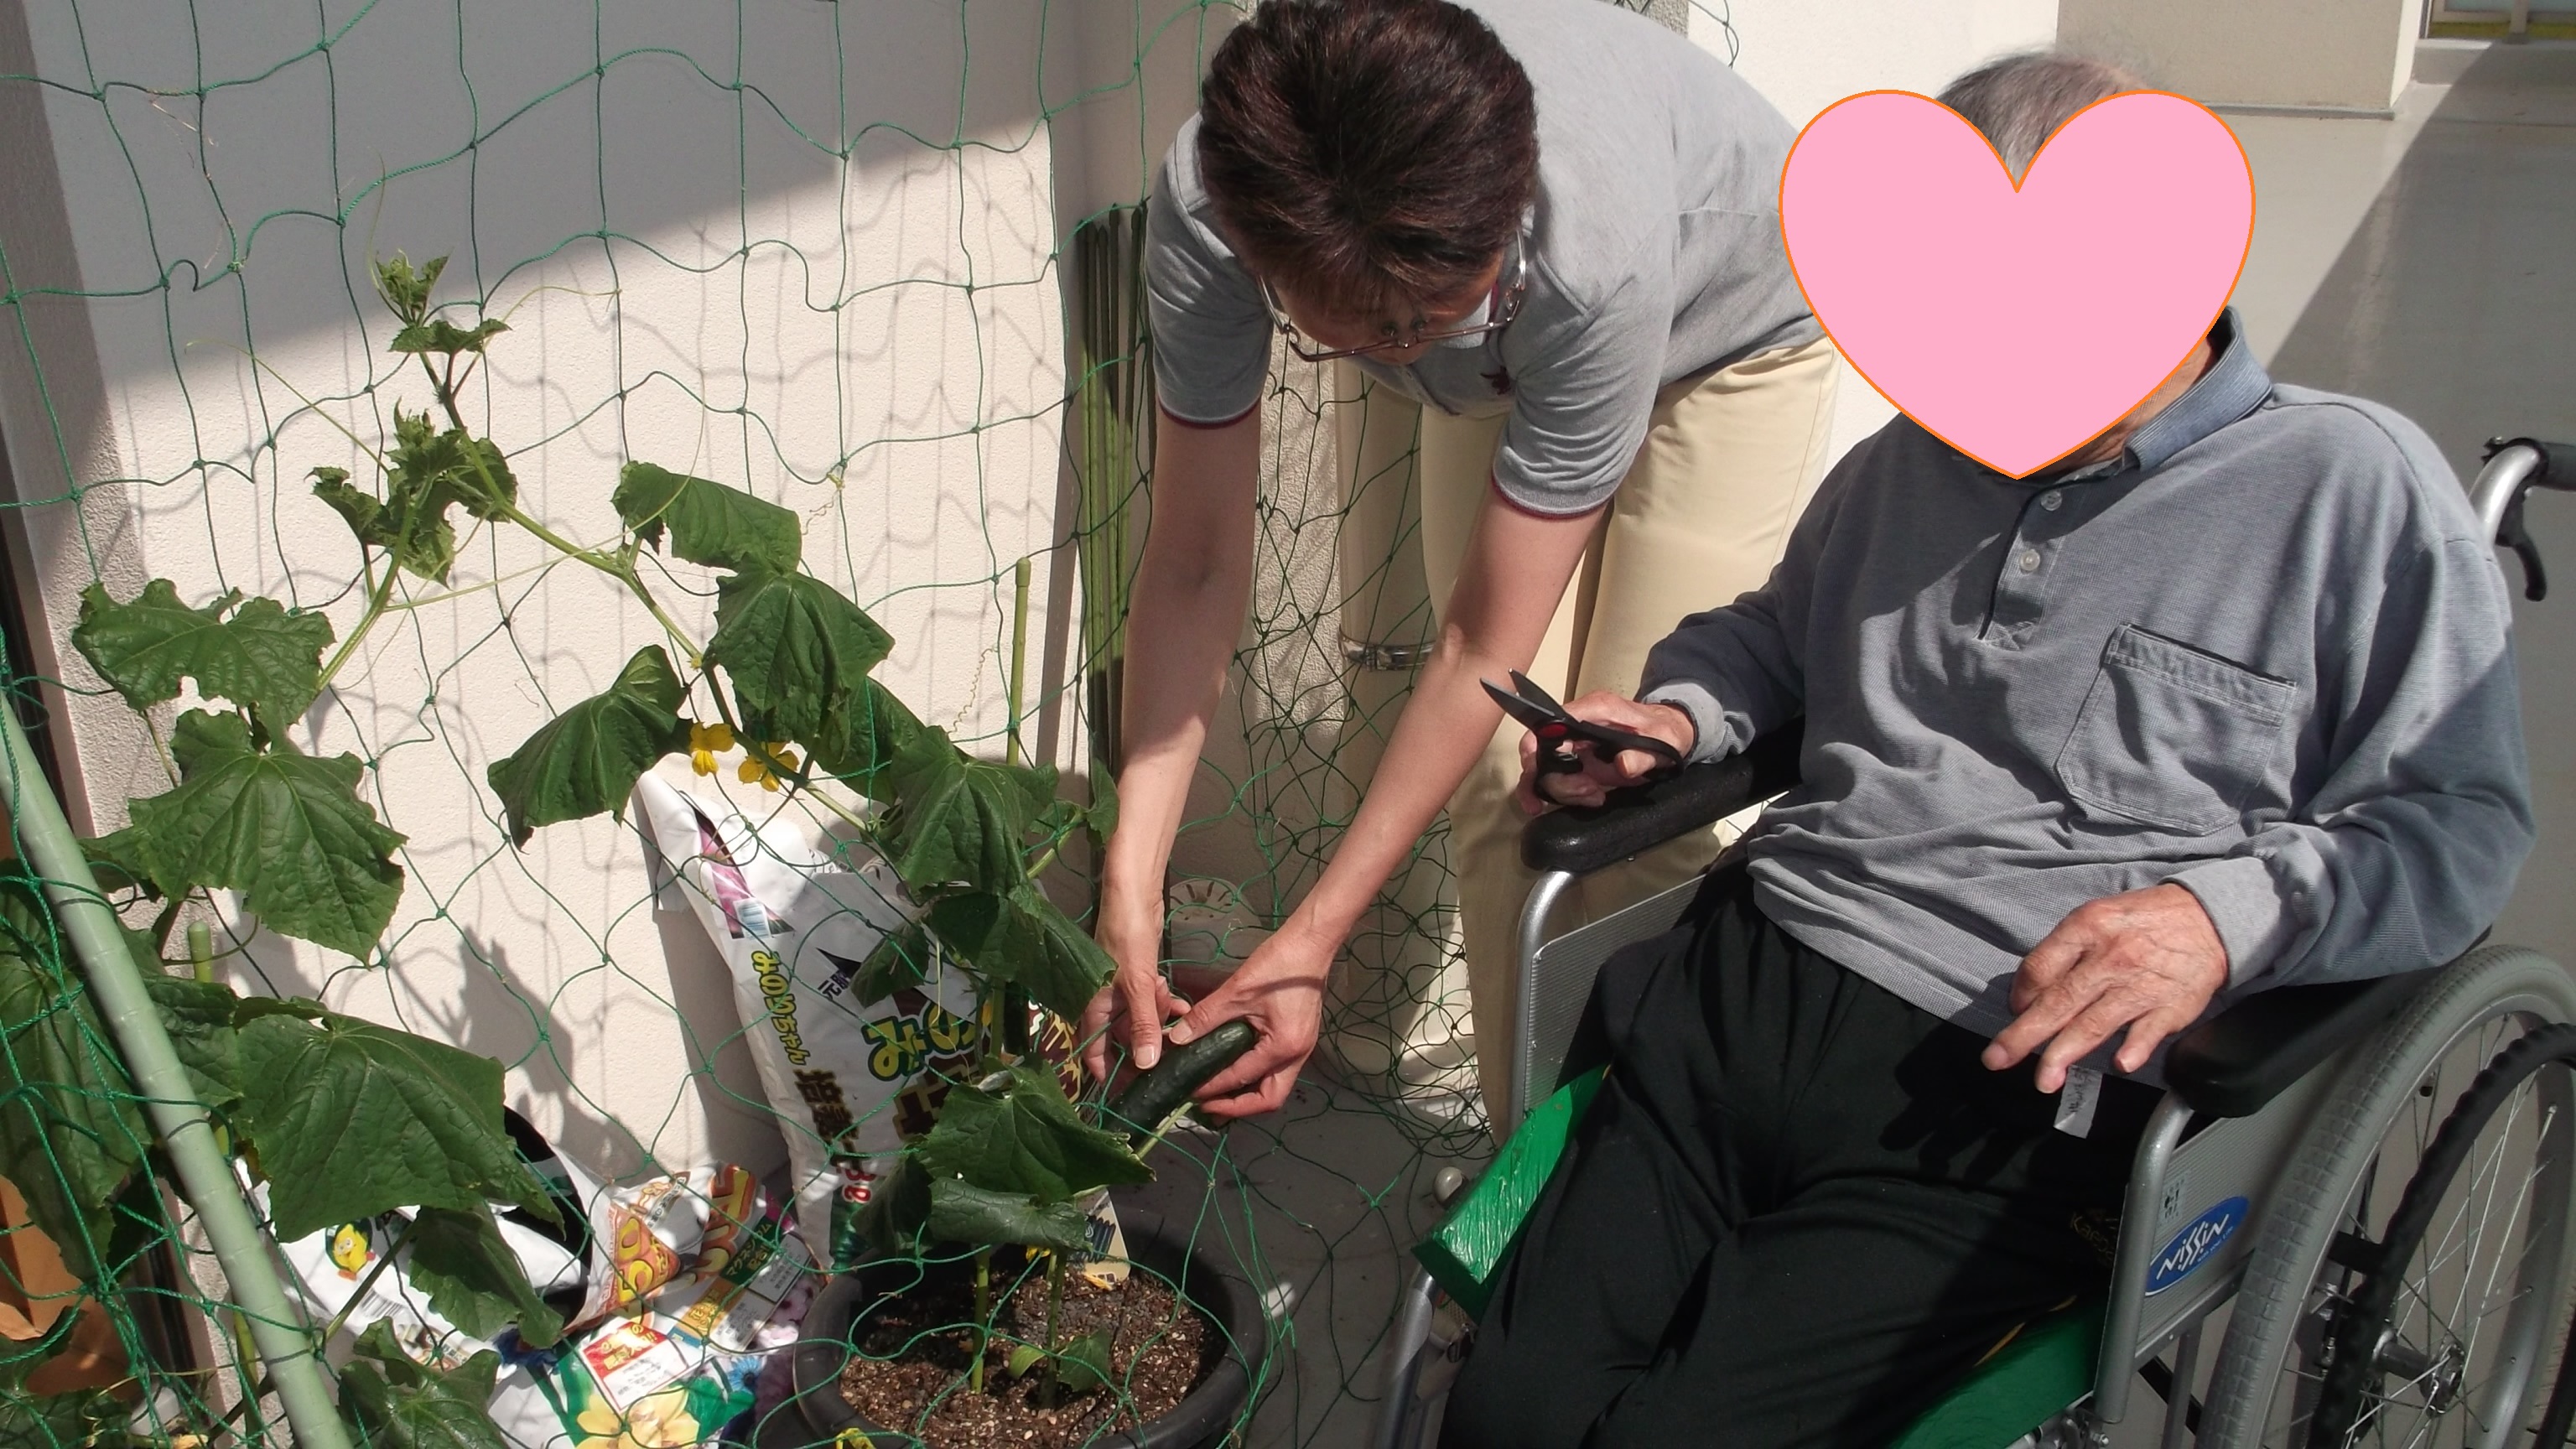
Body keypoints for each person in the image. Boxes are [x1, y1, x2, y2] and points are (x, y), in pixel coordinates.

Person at [1436, 50, 2538, 1449]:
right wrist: (1680, 718)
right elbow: (1775, 636)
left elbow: (2458, 822)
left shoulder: (2347, 489)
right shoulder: (1913, 459)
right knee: (1503, 1416)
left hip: (2001, 1101)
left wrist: (2223, 918)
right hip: (1735, 1000)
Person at [1082, 0, 1840, 1122]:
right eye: (1361, 338)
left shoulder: (1588, 256)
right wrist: (1131, 880)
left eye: (1417, 325)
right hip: (1519, 336)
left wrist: (1309, 943)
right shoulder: (1213, 201)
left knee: (1631, 796)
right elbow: (1194, 561)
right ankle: (1520, 1164)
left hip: (1731, 329)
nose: (1395, 354)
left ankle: (1618, 1171)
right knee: (1498, 776)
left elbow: (1480, 642)